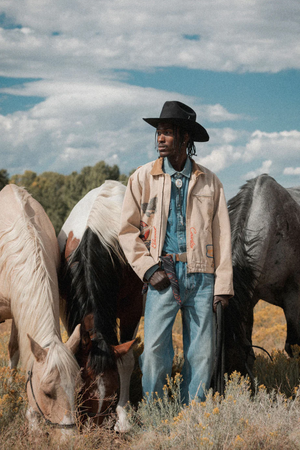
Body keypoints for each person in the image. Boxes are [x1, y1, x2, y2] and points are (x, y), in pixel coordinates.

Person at [119, 100, 234, 404]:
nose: (160, 138)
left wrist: (223, 285)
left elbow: (223, 236)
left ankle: (192, 415)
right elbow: (127, 231)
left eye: (168, 132)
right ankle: (154, 413)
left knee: (202, 351)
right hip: (162, 274)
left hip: (202, 276)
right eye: (158, 132)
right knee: (156, 350)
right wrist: (148, 269)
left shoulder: (211, 182)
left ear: (186, 139)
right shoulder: (142, 178)